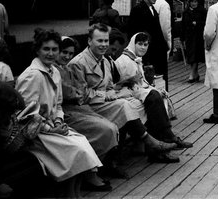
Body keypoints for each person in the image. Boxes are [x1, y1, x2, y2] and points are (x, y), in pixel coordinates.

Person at [68, 23, 179, 164]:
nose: (103, 45)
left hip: (102, 102)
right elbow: (80, 95)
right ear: (89, 41)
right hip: (86, 107)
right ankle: (149, 141)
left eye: (105, 41)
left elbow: (108, 86)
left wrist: (111, 93)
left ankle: (144, 147)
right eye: (99, 41)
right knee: (125, 106)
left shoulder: (104, 60)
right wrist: (107, 95)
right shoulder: (78, 63)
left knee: (136, 103)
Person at [15, 28, 106, 197]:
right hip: (36, 134)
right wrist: (51, 129)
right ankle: (70, 194)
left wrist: (58, 121)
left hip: (52, 126)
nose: (51, 54)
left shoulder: (54, 71)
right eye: (46, 49)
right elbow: (25, 116)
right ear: (37, 50)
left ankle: (74, 192)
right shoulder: (32, 76)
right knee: (75, 149)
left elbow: (57, 104)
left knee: (82, 143)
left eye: (54, 49)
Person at [55, 36, 127, 181]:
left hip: (78, 107)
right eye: (64, 52)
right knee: (107, 127)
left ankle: (102, 165)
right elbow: (76, 93)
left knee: (116, 119)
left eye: (70, 53)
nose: (67, 56)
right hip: (65, 112)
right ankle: (90, 171)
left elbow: (79, 92)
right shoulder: (59, 69)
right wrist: (75, 93)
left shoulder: (65, 69)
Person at [114, 32, 192, 149]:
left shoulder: (135, 59)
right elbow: (130, 85)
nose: (143, 47)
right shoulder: (125, 61)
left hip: (133, 90)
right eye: (140, 44)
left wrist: (153, 89)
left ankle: (164, 137)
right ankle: (167, 136)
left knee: (158, 96)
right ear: (132, 44)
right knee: (154, 98)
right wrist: (150, 91)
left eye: (146, 44)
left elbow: (142, 83)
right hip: (123, 93)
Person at [127, 0, 169, 90]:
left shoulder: (153, 9)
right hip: (147, 50)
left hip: (156, 49)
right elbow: (133, 31)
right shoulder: (138, 9)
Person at [181, 0, 206, 83]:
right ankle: (195, 74)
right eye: (192, 2)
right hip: (189, 36)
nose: (194, 3)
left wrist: (198, 23)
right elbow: (183, 25)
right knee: (191, 55)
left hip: (199, 36)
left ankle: (192, 74)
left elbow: (206, 22)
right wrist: (182, 38)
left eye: (195, 1)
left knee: (196, 55)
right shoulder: (186, 12)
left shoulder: (202, 11)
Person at [153, 0, 174, 65]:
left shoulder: (151, 2)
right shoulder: (164, 5)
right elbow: (165, 28)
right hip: (160, 42)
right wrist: (168, 44)